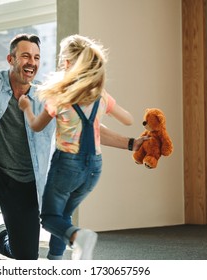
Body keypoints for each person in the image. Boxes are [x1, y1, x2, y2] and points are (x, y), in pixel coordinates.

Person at [0, 33, 147, 260]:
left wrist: (131, 144)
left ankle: (1, 240)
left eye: (37, 58)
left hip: (24, 181)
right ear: (11, 59)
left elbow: (90, 129)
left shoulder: (45, 97)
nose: (32, 63)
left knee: (26, 257)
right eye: (26, 56)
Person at [18, 34, 134, 260]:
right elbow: (128, 119)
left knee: (50, 218)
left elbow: (36, 126)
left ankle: (79, 236)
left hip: (67, 166)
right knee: (64, 215)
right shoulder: (100, 95)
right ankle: (56, 260)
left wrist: (26, 107)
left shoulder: (60, 97)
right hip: (94, 169)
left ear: (68, 63)